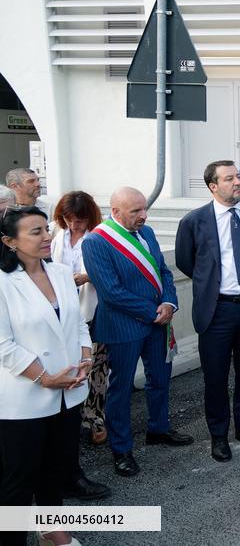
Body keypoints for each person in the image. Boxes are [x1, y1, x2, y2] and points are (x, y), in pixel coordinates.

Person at [82, 187, 192, 477]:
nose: (143, 216)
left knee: (160, 378)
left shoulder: (149, 233)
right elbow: (111, 292)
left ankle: (159, 428)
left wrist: (169, 302)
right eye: (136, 211)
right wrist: (152, 313)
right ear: (116, 212)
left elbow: (164, 272)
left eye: (145, 209)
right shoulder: (96, 242)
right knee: (121, 389)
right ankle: (121, 448)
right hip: (123, 326)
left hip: (158, 320)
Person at [0, 207, 91, 546]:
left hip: (69, 391)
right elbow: (3, 345)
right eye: (35, 232)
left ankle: (52, 530)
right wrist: (45, 377)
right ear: (10, 242)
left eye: (46, 229)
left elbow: (78, 323)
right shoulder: (3, 283)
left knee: (56, 468)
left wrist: (85, 357)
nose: (46, 237)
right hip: (24, 397)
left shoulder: (62, 272)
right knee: (19, 478)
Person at [175, 161, 240, 463]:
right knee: (216, 378)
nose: (238, 183)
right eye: (229, 179)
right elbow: (185, 262)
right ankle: (218, 435)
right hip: (216, 312)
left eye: (239, 178)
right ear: (213, 186)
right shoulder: (194, 221)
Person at [50, 192, 111, 502]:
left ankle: (95, 419)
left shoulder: (99, 236)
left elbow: (104, 272)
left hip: (91, 308)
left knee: (97, 367)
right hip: (60, 313)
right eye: (70, 218)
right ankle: (74, 421)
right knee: (71, 369)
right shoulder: (54, 233)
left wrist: (84, 276)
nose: (74, 223)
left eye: (80, 219)